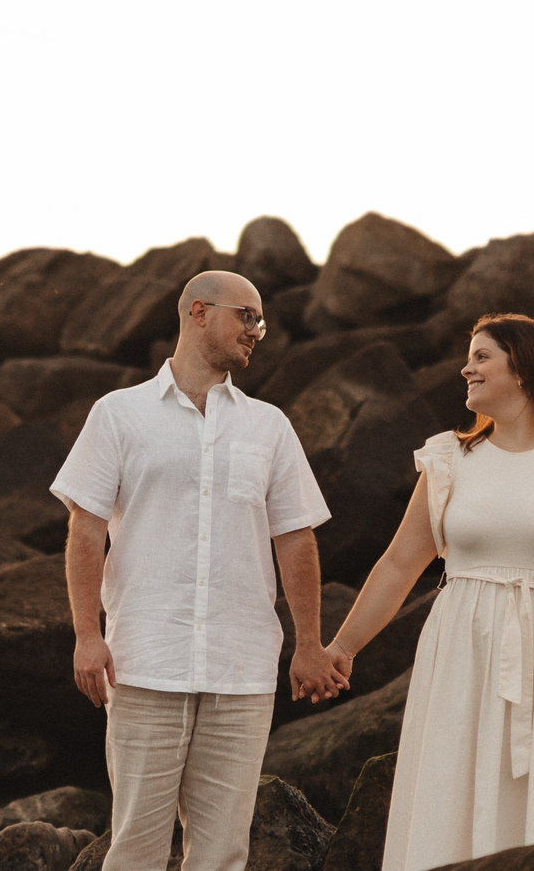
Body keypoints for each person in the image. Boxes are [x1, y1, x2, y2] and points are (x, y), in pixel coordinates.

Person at [50, 269, 352, 871]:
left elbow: (295, 540)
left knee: (222, 853)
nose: (257, 330)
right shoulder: (119, 414)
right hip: (145, 662)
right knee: (136, 844)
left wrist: (309, 643)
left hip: (241, 670)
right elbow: (85, 531)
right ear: (198, 313)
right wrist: (87, 635)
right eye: (247, 315)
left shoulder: (269, 426)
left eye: (260, 320)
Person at [321, 313, 534, 871]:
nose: (466, 368)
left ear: (525, 369)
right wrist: (342, 648)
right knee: (452, 785)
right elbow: (398, 564)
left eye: (482, 356)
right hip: (462, 651)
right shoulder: (449, 461)